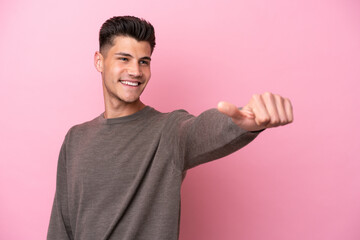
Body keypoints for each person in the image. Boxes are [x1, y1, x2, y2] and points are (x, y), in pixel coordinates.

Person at [47, 16, 293, 240]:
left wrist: (243, 123)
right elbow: (61, 225)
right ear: (99, 62)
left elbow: (200, 129)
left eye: (144, 61)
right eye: (124, 58)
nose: (136, 71)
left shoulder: (169, 131)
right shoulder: (75, 139)